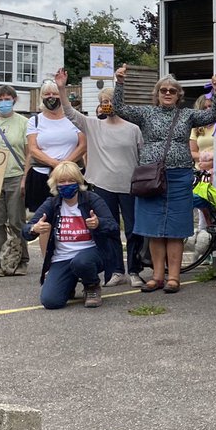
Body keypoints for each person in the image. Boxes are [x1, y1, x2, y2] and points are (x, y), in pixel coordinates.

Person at [113, 65, 216, 294]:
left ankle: (173, 277)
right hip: (151, 177)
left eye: (173, 90)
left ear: (179, 95)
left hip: (180, 176)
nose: (168, 93)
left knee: (175, 227)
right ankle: (157, 276)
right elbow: (119, 108)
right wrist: (120, 83)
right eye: (164, 90)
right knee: (153, 228)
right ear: (157, 94)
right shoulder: (146, 113)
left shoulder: (186, 115)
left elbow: (213, 115)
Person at [57, 70, 143, 286]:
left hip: (129, 186)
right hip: (103, 185)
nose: (107, 104)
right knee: (108, 228)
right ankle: (115, 270)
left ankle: (134, 270)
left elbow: (143, 157)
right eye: (103, 101)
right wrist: (61, 88)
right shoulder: (93, 126)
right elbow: (69, 111)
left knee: (133, 229)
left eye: (111, 100)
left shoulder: (134, 129)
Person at [24, 162, 121, 310]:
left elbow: (113, 226)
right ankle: (69, 283)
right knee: (50, 301)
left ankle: (92, 286)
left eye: (71, 180)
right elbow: (25, 231)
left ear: (78, 182)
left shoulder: (91, 199)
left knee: (81, 262)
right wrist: (34, 228)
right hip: (62, 258)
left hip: (92, 255)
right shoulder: (52, 203)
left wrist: (98, 223)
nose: (66, 184)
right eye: (62, 181)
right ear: (55, 184)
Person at [25, 79, 87, 229]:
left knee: (75, 214)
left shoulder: (74, 118)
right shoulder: (35, 121)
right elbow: (33, 149)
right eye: (47, 94)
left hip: (72, 175)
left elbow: (83, 145)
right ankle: (46, 252)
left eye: (55, 93)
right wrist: (56, 165)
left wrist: (64, 166)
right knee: (44, 221)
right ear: (41, 97)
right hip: (42, 176)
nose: (51, 97)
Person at [0, 85, 32, 277]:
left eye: (7, 98)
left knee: (16, 221)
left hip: (15, 176)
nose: (3, 102)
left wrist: (24, 178)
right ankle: (0, 261)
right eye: (0, 99)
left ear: (14, 100)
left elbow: (29, 153)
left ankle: (21, 260)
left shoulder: (24, 123)